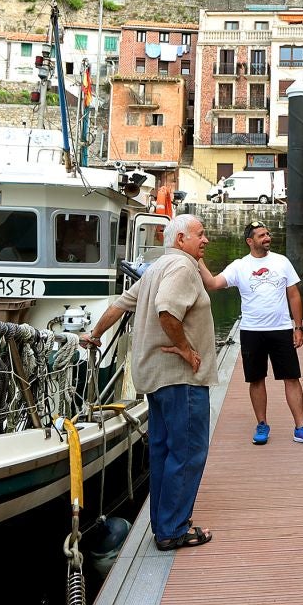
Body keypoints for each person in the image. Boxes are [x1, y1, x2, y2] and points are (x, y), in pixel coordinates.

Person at [82, 214, 217, 551]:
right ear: (181, 238)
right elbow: (167, 310)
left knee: (163, 452)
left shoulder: (156, 268)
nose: (205, 240)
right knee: (188, 453)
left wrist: (95, 334)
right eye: (200, 235)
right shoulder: (183, 268)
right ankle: (172, 530)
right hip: (181, 378)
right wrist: (186, 350)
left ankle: (163, 523)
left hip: (156, 380)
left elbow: (118, 305)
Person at [198, 221, 303, 447]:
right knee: (256, 379)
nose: (267, 237)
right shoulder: (239, 266)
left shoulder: (281, 261)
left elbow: (293, 295)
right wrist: (197, 258)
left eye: (268, 233)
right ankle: (262, 424)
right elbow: (213, 283)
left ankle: (301, 427)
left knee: (292, 377)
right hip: (252, 331)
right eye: (262, 235)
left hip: (281, 330)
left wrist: (299, 326)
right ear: (250, 241)